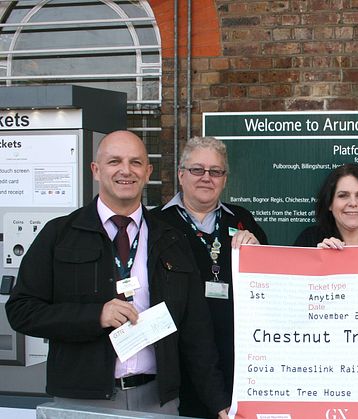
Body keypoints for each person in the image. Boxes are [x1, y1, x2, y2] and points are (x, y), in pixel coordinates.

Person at [5, 131, 229, 418]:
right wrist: (95, 316)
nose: (126, 170)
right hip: (83, 398)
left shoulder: (171, 239)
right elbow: (22, 310)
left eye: (136, 162)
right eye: (115, 161)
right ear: (96, 170)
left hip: (157, 400)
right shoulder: (59, 235)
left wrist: (218, 401)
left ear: (148, 172)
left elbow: (196, 330)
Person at [151, 136, 267, 418]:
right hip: (179, 358)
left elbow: (266, 282)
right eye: (197, 170)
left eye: (215, 171)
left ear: (224, 179)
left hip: (236, 354)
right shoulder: (156, 224)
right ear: (181, 174)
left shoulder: (241, 219)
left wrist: (257, 248)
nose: (207, 178)